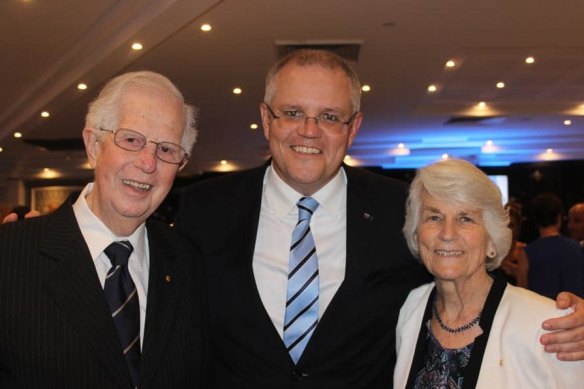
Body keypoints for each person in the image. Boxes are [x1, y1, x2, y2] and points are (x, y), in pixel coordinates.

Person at [176, 49, 584, 388]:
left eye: (330, 117)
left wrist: (564, 318)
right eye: (293, 112)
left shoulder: (401, 210)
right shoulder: (204, 209)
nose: (310, 131)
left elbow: (463, 276)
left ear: (353, 128)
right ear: (266, 118)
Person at [0, 71, 206, 388]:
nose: (148, 163)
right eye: (132, 139)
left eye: (166, 149)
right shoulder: (11, 256)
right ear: (93, 145)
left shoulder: (190, 264)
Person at [395, 159, 584, 388]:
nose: (447, 233)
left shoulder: (549, 325)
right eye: (434, 217)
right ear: (416, 235)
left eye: (465, 218)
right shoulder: (410, 309)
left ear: (492, 241)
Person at [519, 193, 584, 298]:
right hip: (575, 310)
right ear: (559, 217)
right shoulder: (577, 248)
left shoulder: (526, 252)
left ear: (535, 219)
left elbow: (522, 293)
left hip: (541, 312)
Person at [498, 201, 528, 287]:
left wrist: (517, 273)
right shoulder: (491, 252)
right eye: (505, 225)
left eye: (511, 225)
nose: (507, 229)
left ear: (518, 227)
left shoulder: (525, 251)